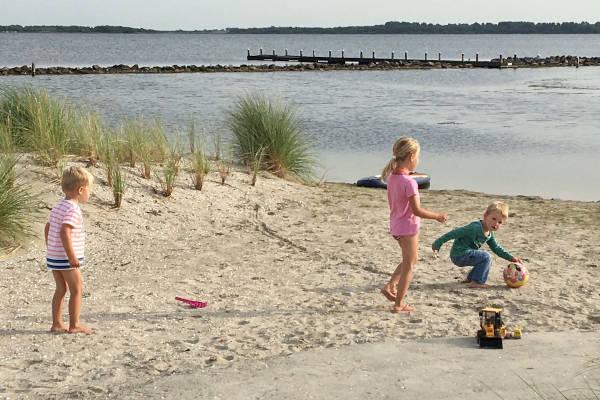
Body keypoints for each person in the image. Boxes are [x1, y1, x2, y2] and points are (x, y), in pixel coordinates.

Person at [380, 137, 448, 313]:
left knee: (411, 259)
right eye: (418, 157)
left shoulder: (392, 178)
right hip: (407, 227)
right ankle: (399, 304)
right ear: (411, 157)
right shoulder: (409, 182)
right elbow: (416, 210)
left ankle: (390, 286)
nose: (418, 160)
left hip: (396, 225)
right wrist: (437, 216)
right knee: (409, 264)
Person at [45, 166, 94, 334]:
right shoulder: (73, 209)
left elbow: (48, 227)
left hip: (54, 256)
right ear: (80, 190)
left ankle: (57, 323)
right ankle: (74, 325)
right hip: (66, 259)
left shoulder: (59, 205)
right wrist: (71, 256)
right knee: (77, 289)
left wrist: (51, 248)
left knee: (61, 289)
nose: (89, 194)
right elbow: (64, 231)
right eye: (89, 191)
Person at [432, 201, 522, 289]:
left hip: (465, 255)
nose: (496, 224)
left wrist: (511, 258)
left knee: (482, 258)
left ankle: (470, 279)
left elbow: (496, 248)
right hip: (459, 255)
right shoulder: (474, 227)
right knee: (486, 257)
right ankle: (477, 282)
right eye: (494, 219)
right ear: (485, 216)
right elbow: (454, 233)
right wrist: (438, 243)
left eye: (500, 222)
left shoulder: (489, 233)